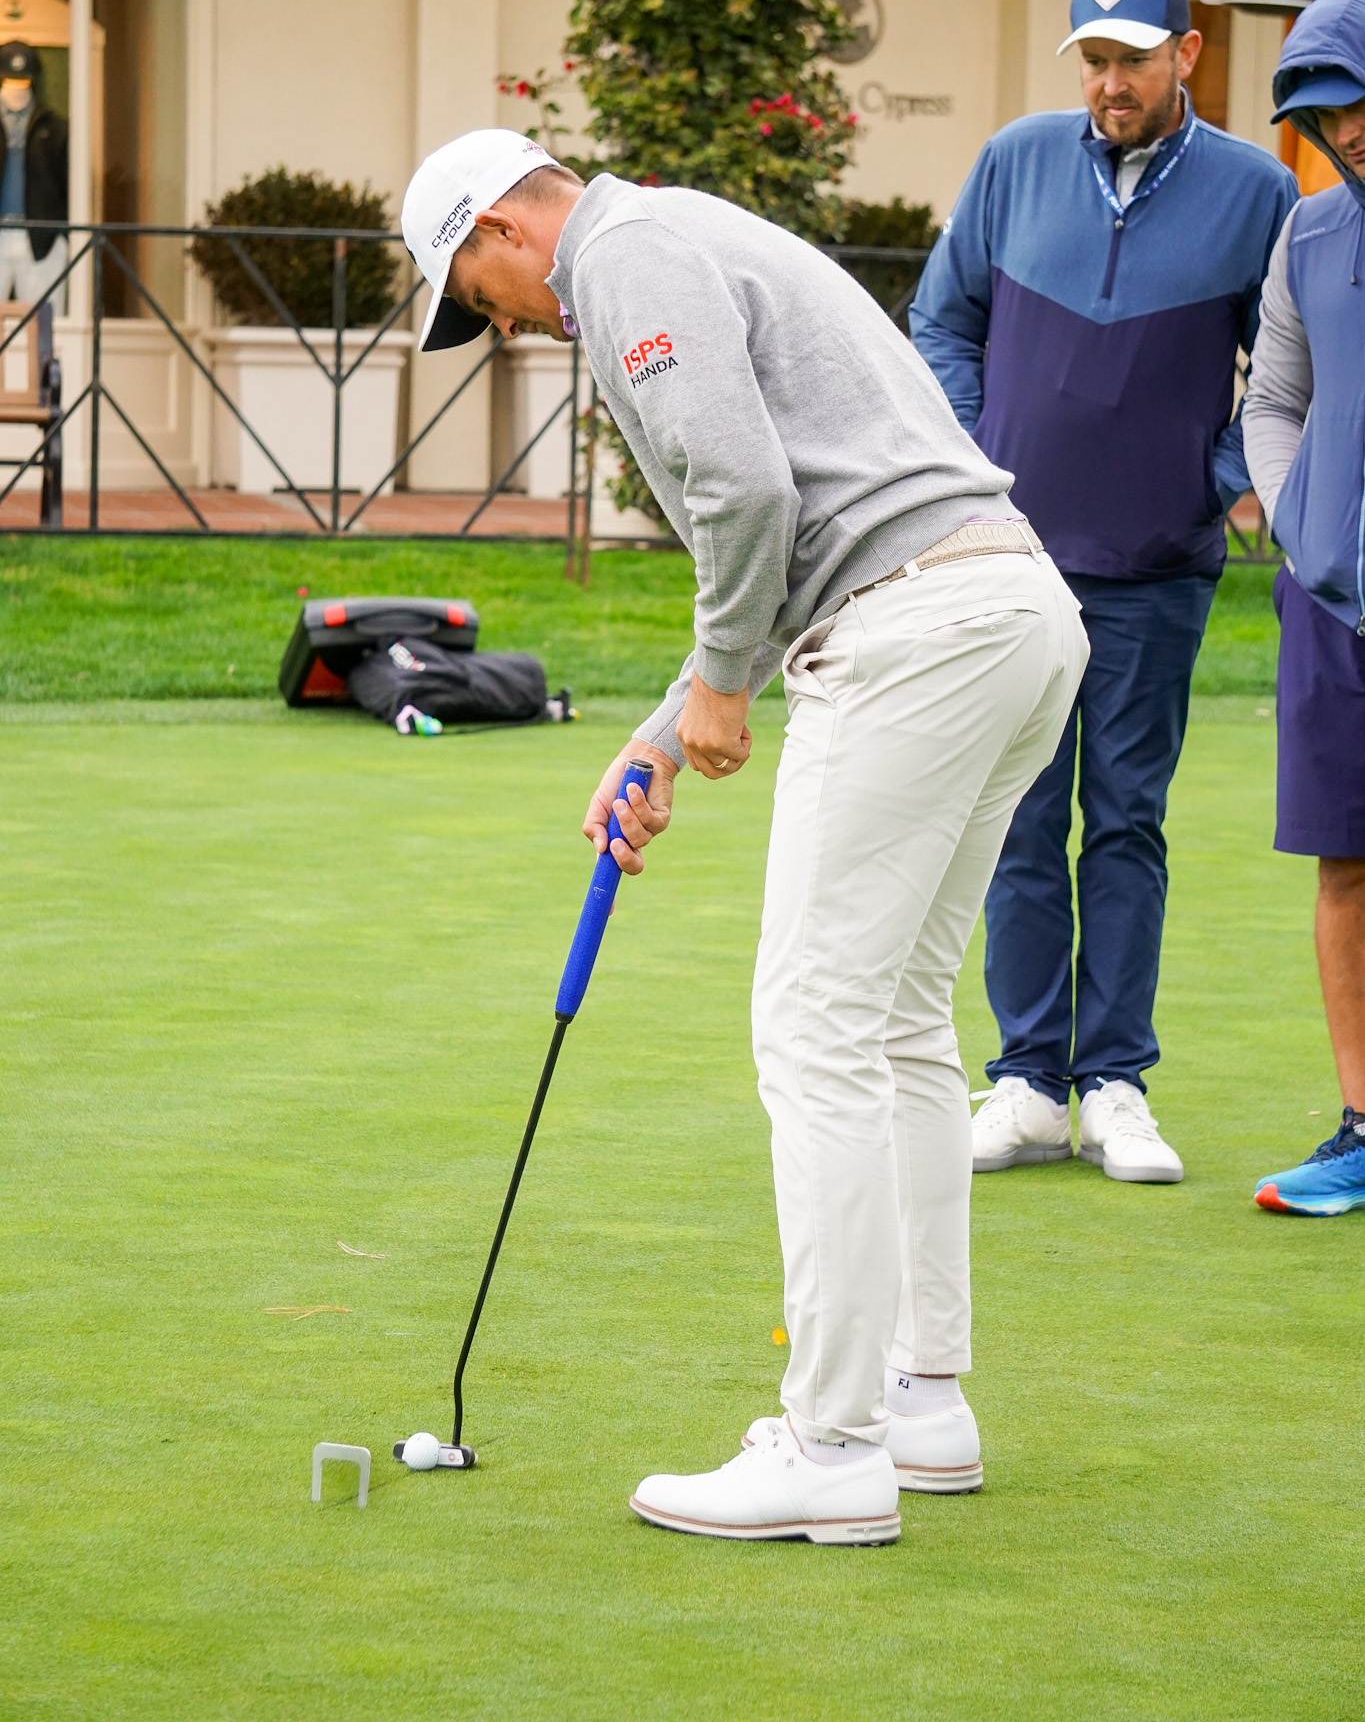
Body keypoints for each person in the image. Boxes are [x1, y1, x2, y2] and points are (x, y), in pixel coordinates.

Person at [403, 128, 1088, 1544]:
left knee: (815, 1026)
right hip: (1009, 612)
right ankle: (920, 1405)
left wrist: (720, 685)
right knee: (894, 1021)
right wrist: (666, 730)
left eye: (480, 297)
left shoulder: (626, 252)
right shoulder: (680, 234)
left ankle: (832, 1447)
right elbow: (783, 519)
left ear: (500, 235)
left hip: (912, 633)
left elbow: (744, 494)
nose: (505, 322)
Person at [911, 0, 1298, 1185]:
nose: (1109, 82)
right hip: (1009, 559)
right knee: (1019, 818)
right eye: (1093, 58)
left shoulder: (1254, 191)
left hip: (1159, 563)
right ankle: (1026, 1078)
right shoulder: (1015, 160)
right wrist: (978, 453)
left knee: (1124, 819)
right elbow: (943, 319)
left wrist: (1223, 467)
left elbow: (1289, 361)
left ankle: (1114, 1080)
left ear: (1188, 55)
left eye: (1133, 58)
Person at [1242, 0, 1365, 1216]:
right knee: (1346, 864)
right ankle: (1364, 1121)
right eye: (1327, 112)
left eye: (1358, 98)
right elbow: (1271, 398)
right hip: (1333, 602)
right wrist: (1298, 516)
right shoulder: (1311, 236)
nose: (1348, 127)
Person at [0, 40, 68, 304]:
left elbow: (68, 183)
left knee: (42, 327)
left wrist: (60, 234)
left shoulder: (56, 127)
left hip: (41, 238)